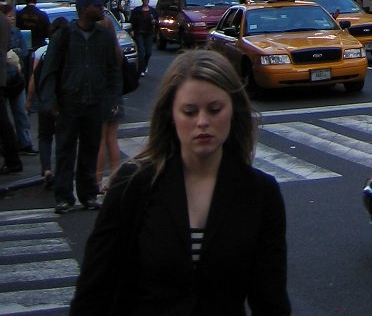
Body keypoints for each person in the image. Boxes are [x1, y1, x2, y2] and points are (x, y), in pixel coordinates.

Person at [70, 51, 290, 316]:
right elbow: (95, 290)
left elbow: (270, 298)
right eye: (189, 111)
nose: (202, 122)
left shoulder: (260, 192)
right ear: (171, 115)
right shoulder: (134, 184)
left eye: (214, 109)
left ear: (234, 110)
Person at [37, 0, 120, 213]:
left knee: (90, 149)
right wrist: (50, 100)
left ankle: (88, 194)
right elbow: (50, 69)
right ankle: (64, 196)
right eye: (96, 5)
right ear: (84, 10)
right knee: (65, 149)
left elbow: (112, 69)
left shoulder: (103, 36)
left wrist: (113, 97)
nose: (101, 8)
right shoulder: (64, 35)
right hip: (69, 101)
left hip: (95, 100)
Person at [27, 16, 69, 189]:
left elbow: (34, 78)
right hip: (64, 102)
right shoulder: (71, 53)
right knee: (62, 138)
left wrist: (30, 99)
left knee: (44, 137)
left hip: (45, 100)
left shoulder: (42, 52)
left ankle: (46, 170)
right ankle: (60, 171)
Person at [2, 2, 35, 154]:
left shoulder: (17, 32)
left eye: (13, 16)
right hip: (3, 78)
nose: (12, 18)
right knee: (5, 116)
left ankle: (25, 143)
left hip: (16, 77)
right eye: (9, 16)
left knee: (21, 112)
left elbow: (24, 51)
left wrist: (15, 53)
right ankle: (7, 146)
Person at [96, 12, 124, 193]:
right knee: (112, 140)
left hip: (100, 97)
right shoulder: (116, 50)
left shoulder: (96, 50)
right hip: (115, 95)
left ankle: (97, 181)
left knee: (99, 141)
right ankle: (115, 178)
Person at [16, 0, 51, 80]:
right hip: (38, 47)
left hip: (23, 48)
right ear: (36, 0)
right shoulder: (42, 15)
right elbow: (48, 33)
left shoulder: (19, 15)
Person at [130, 0, 158, 76]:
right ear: (142, 0)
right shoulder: (137, 11)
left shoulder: (152, 11)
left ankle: (144, 65)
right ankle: (141, 69)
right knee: (141, 52)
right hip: (139, 33)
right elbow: (132, 21)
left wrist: (154, 22)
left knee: (148, 52)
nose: (146, 1)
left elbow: (157, 22)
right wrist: (132, 30)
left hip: (148, 33)